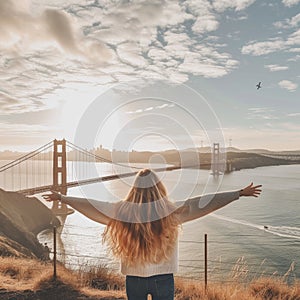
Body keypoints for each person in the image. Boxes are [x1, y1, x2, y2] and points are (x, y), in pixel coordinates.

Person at [43, 168, 262, 300]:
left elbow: (92, 206)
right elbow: (204, 203)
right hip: (163, 279)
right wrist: (238, 193)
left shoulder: (121, 211)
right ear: (159, 188)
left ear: (134, 188)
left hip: (134, 280)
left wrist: (63, 199)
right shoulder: (171, 212)